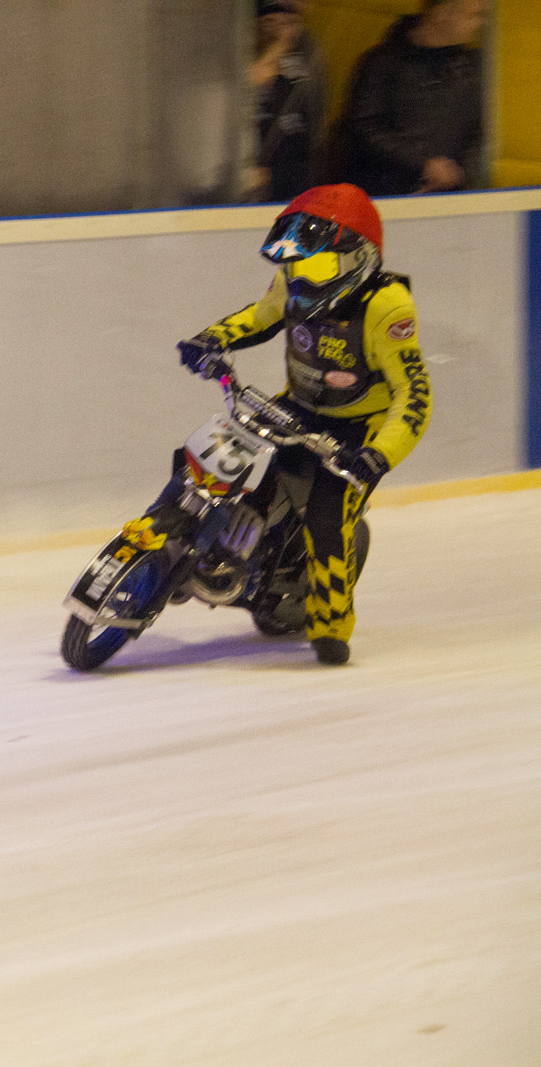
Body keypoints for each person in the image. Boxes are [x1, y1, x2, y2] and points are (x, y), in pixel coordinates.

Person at [171, 184, 431, 665]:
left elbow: (413, 395)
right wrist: (211, 339)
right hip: (297, 406)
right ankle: (181, 543)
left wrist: (378, 456)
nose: (304, 278)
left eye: (320, 266)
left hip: (358, 427)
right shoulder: (291, 281)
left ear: (359, 260)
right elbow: (260, 317)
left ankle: (331, 625)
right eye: (297, 264)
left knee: (327, 519)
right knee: (214, 458)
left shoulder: (387, 307)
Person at [334, 0, 485, 196]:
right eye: (473, 15)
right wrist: (423, 164)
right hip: (384, 195)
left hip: (448, 198)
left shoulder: (473, 69)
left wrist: (459, 173)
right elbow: (364, 128)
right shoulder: (381, 64)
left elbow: (482, 130)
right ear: (441, 14)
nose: (480, 23)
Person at [248, 0, 325, 202]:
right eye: (273, 22)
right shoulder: (236, 81)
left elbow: (313, 122)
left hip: (292, 182)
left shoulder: (303, 60)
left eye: (290, 23)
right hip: (249, 190)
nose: (285, 30)